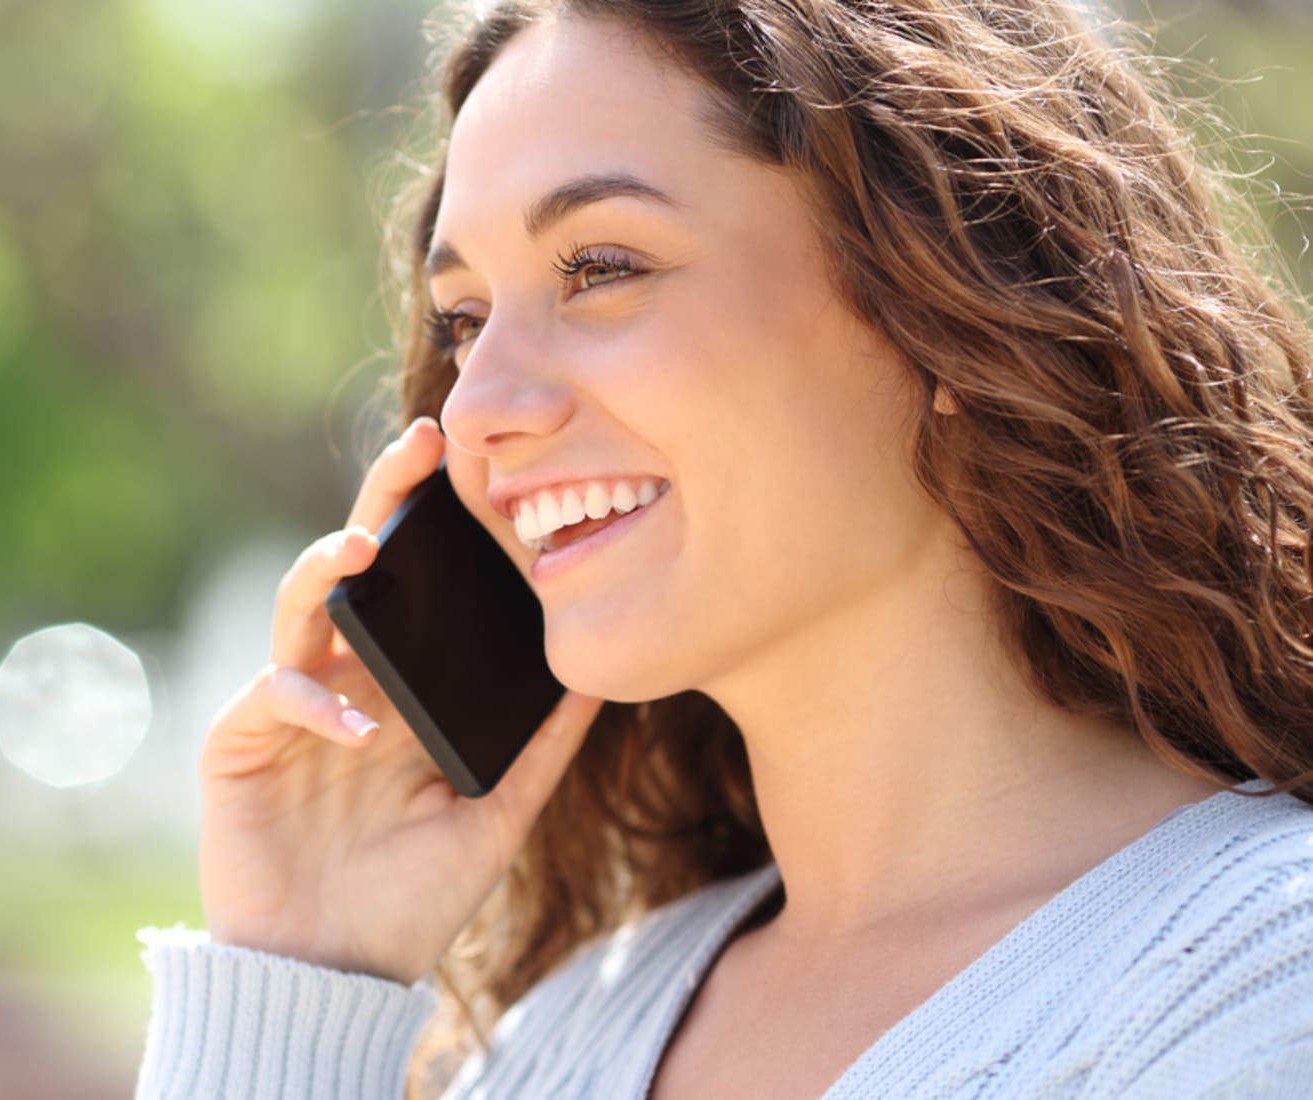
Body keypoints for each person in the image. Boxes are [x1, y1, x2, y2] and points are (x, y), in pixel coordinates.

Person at [135, 1, 1313, 1096]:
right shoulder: (564, 1038)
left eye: (600, 268)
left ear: (952, 296)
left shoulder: (1262, 985)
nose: (477, 405)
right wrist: (299, 977)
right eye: (465, 319)